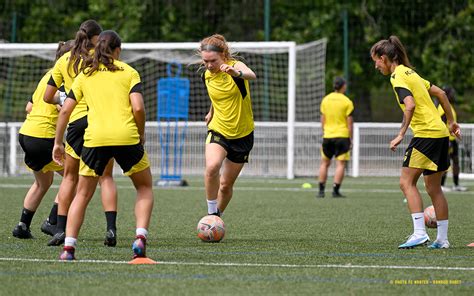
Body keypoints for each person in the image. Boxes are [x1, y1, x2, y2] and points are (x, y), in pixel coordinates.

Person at [52, 30, 154, 260]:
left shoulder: (85, 74)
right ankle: (139, 237)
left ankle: (68, 248)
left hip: (95, 139)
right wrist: (140, 134)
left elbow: (66, 109)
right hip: (126, 137)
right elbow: (138, 108)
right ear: (118, 50)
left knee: (83, 194)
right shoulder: (129, 72)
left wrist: (58, 142)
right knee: (144, 188)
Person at [370, 35, 461, 249]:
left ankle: (419, 233)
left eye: (375, 60)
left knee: (406, 183)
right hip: (439, 134)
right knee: (433, 188)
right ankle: (442, 239)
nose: (375, 66)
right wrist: (450, 121)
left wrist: (401, 133)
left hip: (426, 134)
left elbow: (409, 105)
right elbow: (441, 93)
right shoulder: (412, 73)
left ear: (384, 58)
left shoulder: (397, 76)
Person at [44, 20, 118, 247]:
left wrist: (64, 100)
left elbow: (48, 96)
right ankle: (111, 229)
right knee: (105, 177)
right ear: (98, 38)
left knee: (69, 178)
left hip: (75, 123)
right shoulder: (100, 55)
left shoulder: (64, 60)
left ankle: (59, 230)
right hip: (99, 121)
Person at [11, 41, 73, 239]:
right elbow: (62, 107)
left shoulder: (46, 77)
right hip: (43, 136)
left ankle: (22, 225)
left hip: (27, 133)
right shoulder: (64, 79)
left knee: (43, 182)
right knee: (76, 178)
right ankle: (52, 222)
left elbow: (29, 107)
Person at [200, 34, 256, 217]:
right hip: (219, 130)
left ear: (223, 54)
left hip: (242, 134)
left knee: (225, 185)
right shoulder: (206, 75)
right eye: (205, 61)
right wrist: (212, 111)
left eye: (213, 61)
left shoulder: (235, 66)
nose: (209, 65)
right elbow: (216, 96)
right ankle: (210, 215)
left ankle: (217, 217)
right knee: (212, 167)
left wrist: (237, 74)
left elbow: (251, 74)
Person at [317, 77, 354, 198]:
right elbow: (349, 122)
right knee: (340, 164)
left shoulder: (325, 100)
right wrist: (350, 138)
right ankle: (335, 190)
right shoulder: (347, 101)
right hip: (342, 136)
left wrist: (325, 131)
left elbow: (323, 119)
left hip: (328, 135)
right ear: (343, 86)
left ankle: (321, 191)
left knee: (324, 163)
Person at [438, 86, 468, 192]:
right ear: (446, 94)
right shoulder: (443, 107)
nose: (453, 95)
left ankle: (456, 185)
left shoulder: (449, 106)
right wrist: (446, 139)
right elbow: (442, 123)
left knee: (455, 161)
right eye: (451, 93)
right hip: (446, 139)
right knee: (445, 162)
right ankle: (441, 185)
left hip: (451, 139)